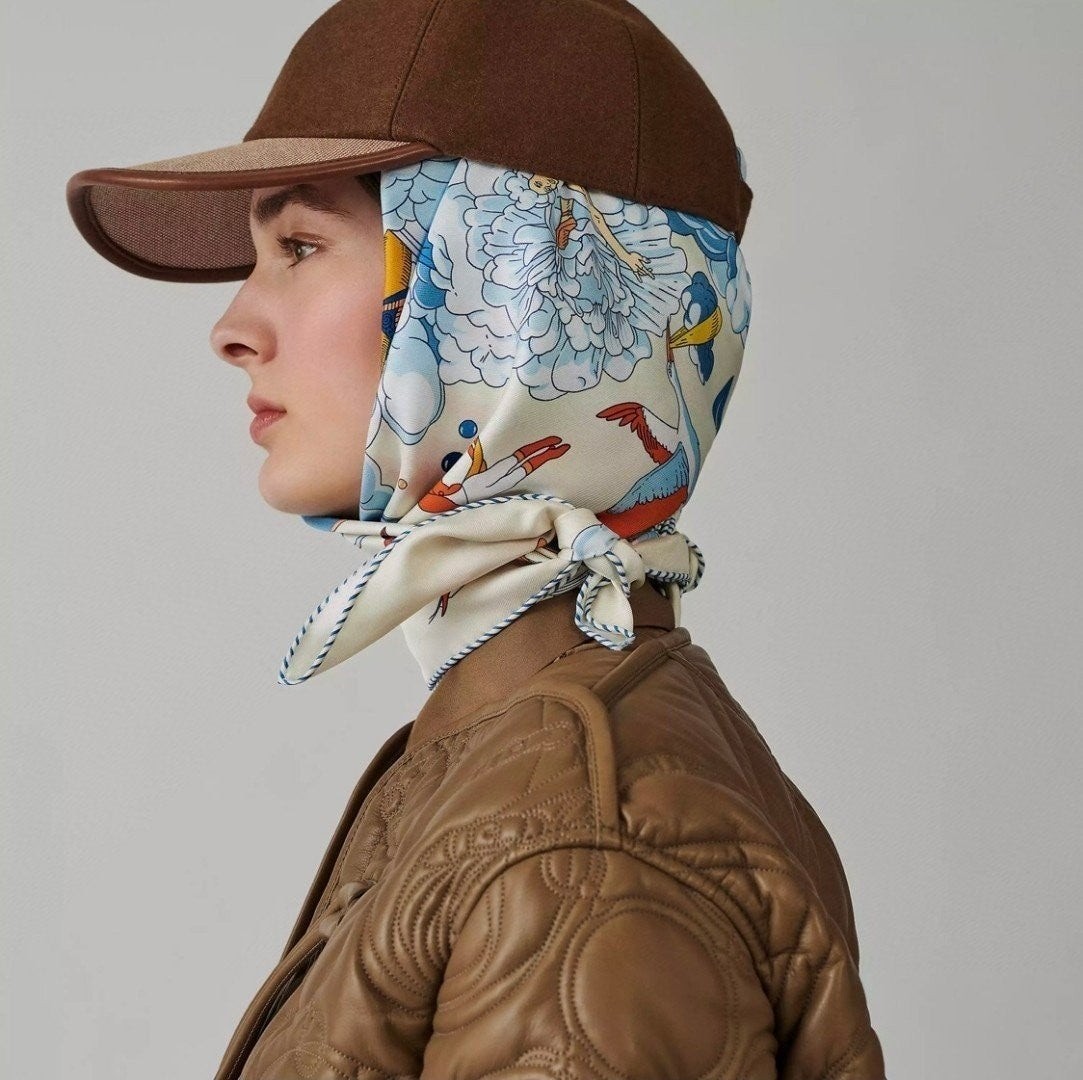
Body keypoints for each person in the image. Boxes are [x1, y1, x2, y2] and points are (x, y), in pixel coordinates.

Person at [65, 2, 886, 1077]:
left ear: (514, 294)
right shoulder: (532, 750)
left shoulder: (576, 841)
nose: (232, 328)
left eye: (299, 247)